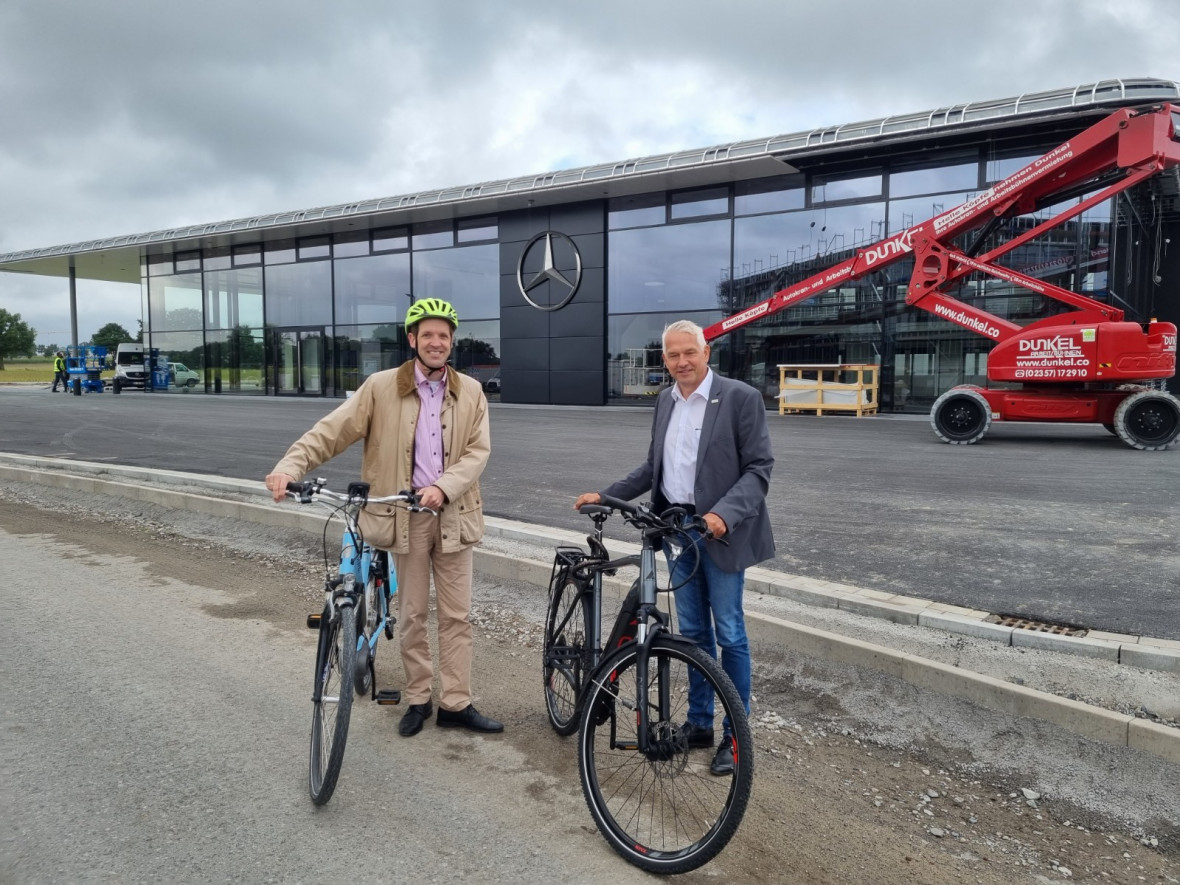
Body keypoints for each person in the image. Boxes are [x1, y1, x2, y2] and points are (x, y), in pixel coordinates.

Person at [265, 297, 502, 737]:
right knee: (412, 615)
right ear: (412, 340)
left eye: (443, 336)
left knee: (457, 615)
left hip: (454, 514)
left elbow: (477, 453)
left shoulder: (470, 391)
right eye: (427, 335)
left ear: (452, 343)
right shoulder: (379, 388)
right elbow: (330, 431)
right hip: (404, 516)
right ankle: (417, 699)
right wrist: (289, 467)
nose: (436, 342)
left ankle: (456, 703)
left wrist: (443, 487)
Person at [574, 319, 774, 775]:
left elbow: (759, 468)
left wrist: (724, 514)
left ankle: (735, 737)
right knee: (694, 635)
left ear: (707, 352)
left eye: (690, 352)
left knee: (729, 632)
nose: (682, 362)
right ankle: (700, 724)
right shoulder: (665, 400)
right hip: (678, 531)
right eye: (672, 355)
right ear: (664, 359)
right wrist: (607, 494)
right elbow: (654, 467)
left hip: (721, 530)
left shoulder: (739, 398)